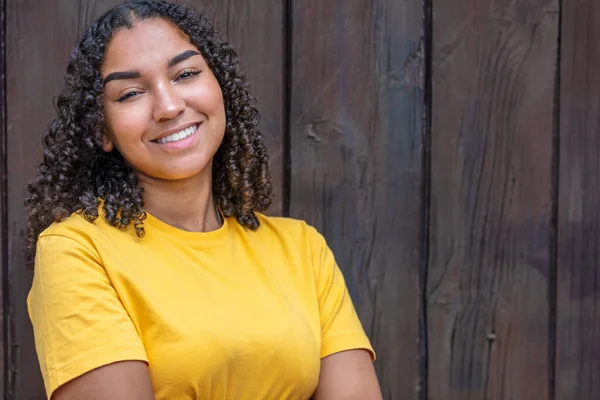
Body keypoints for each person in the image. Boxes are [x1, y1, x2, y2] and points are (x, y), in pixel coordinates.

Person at [25, 1, 382, 399]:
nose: (169, 106)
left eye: (186, 73)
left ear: (220, 88)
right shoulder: (76, 250)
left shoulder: (302, 250)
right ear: (102, 131)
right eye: (130, 93)